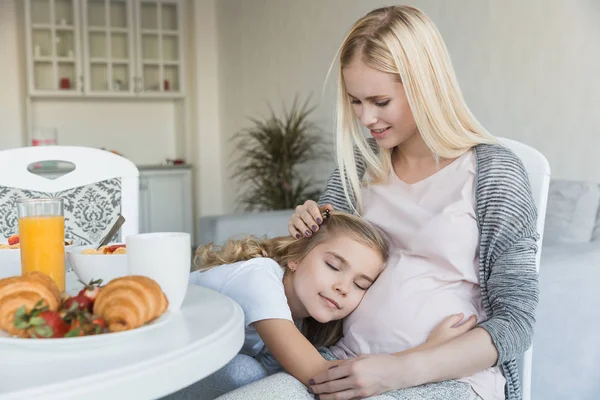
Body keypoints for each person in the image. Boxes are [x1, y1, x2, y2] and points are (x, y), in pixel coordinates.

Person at [218, 5, 539, 400]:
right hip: (340, 363)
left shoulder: (493, 172)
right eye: (355, 101)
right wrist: (306, 235)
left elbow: (518, 322)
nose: (366, 118)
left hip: (450, 380)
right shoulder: (359, 164)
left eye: (380, 101)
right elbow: (315, 278)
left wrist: (405, 368)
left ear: (426, 85)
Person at [177, 211, 477, 400]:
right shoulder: (259, 280)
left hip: (193, 370)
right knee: (245, 374)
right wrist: (430, 350)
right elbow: (322, 376)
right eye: (334, 265)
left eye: (361, 284)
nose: (343, 287)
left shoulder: (300, 319)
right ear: (295, 257)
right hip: (153, 367)